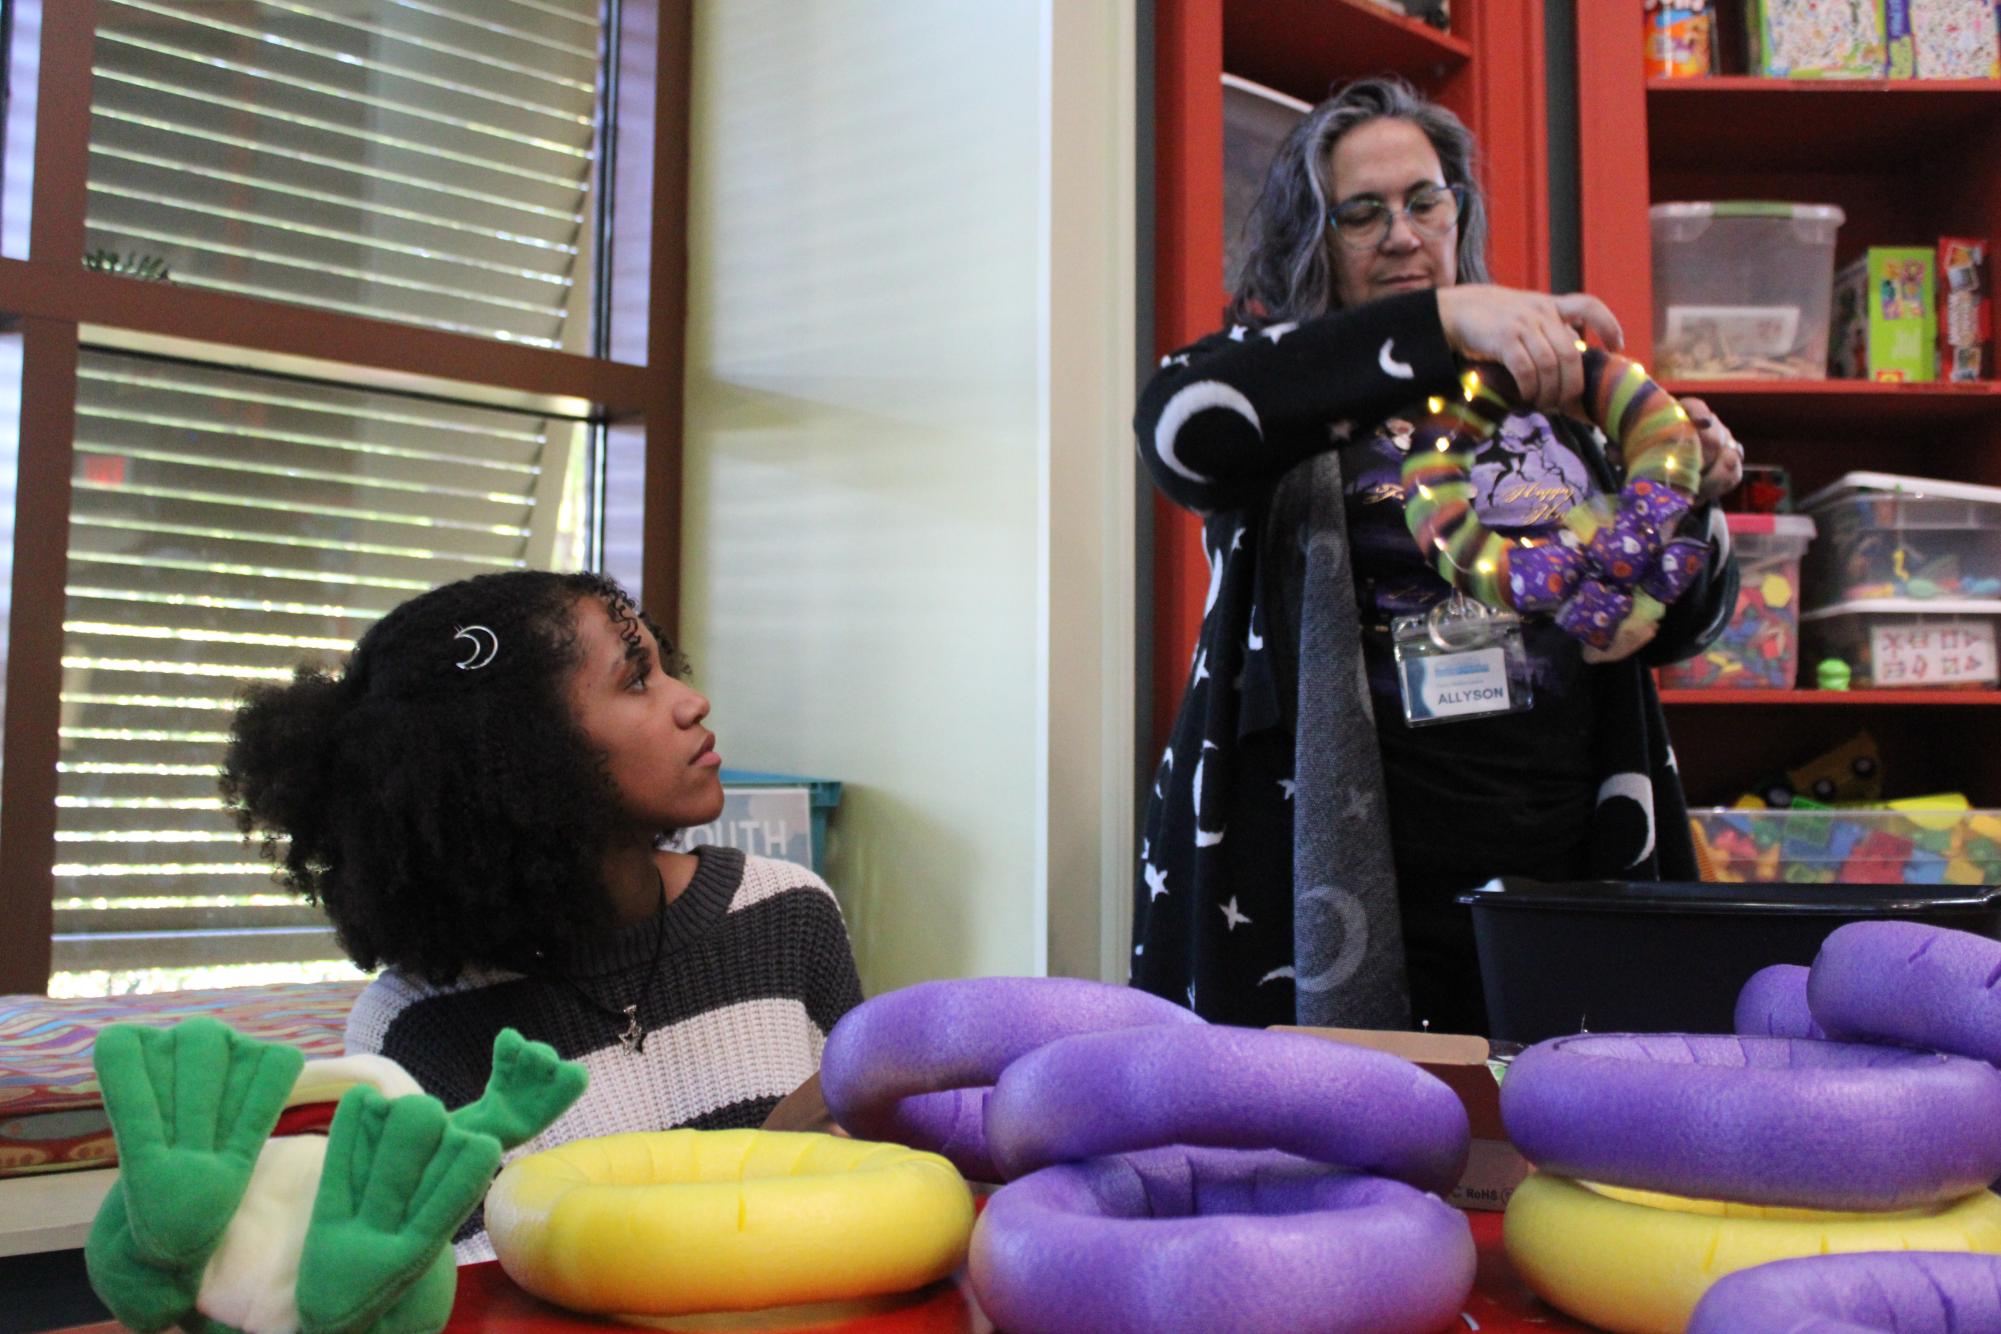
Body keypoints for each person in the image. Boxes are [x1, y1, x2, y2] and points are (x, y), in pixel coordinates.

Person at [1130, 77, 1744, 1034]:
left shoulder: (1549, 393)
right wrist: (1445, 326)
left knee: (1569, 1140)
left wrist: (1690, 499)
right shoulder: (1296, 393)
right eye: (1361, 213)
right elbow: (1179, 426)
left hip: (1566, 849)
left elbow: (1680, 630)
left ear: (1457, 210)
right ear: (1315, 239)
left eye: (1424, 201)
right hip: (1344, 861)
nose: (1402, 234)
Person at [223, 569, 862, 1257]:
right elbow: (482, 1298)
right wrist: (760, 1166)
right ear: (528, 757)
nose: (692, 702)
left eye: (666, 667)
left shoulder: (787, 912)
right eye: (636, 680)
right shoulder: (415, 1029)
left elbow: (867, 1189)